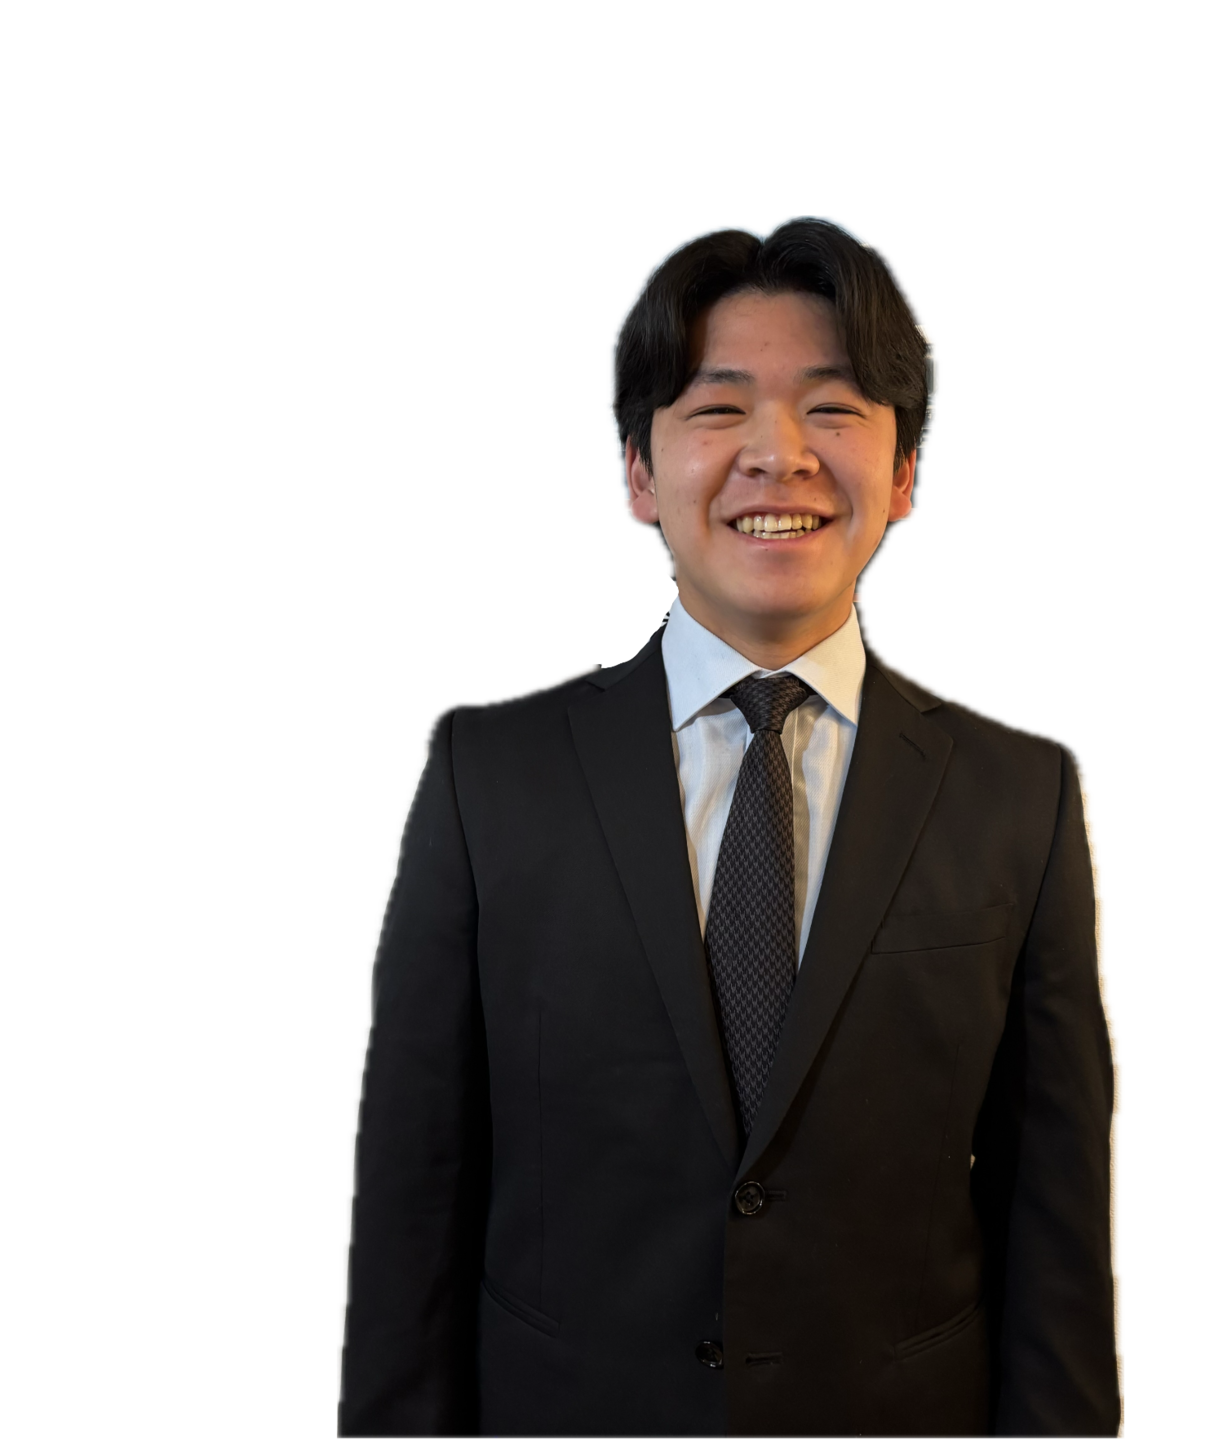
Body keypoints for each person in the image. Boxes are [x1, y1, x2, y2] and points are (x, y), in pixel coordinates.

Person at [336, 216, 1121, 1438]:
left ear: (905, 477)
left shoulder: (1017, 793)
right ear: (637, 474)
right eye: (718, 409)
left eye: (834, 408)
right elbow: (410, 1196)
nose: (778, 454)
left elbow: (1056, 1220)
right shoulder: (489, 777)